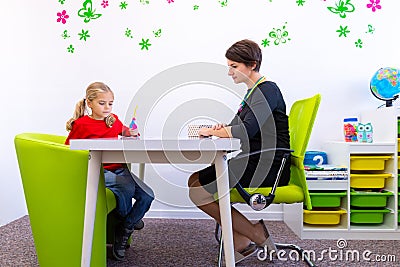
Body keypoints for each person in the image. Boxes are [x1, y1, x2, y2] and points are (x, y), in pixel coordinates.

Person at [187, 39, 291, 264]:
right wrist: (221, 129)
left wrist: (212, 131)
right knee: (195, 180)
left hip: (266, 165)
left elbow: (246, 130)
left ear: (252, 65)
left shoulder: (267, 89)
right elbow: (238, 127)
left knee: (197, 191)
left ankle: (256, 235)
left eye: (234, 66)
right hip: (253, 160)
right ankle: (242, 242)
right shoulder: (252, 93)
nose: (229, 72)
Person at [65, 81, 154, 261]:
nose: (107, 107)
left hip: (119, 168)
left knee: (148, 196)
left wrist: (131, 132)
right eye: (102, 103)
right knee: (126, 189)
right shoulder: (82, 124)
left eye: (110, 103)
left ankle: (124, 227)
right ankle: (127, 225)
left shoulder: (112, 120)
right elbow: (69, 149)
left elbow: (125, 131)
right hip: (98, 171)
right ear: (89, 103)